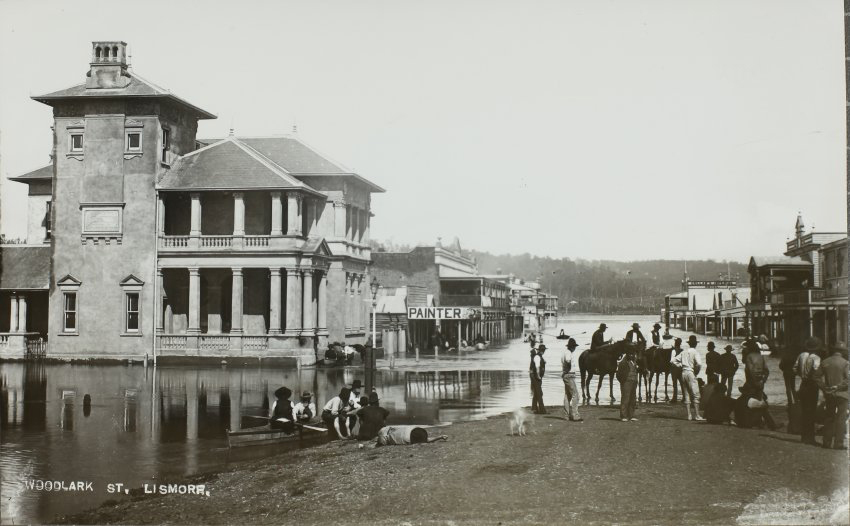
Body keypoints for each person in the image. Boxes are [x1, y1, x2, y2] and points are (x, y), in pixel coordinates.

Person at [813, 347, 848, 450]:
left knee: (829, 417)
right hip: (843, 394)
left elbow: (816, 377)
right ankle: (838, 444)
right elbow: (848, 379)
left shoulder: (825, 362)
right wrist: (838, 386)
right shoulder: (845, 363)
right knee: (841, 419)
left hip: (829, 394)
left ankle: (826, 443)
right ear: (842, 352)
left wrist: (824, 388)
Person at [794, 337, 823, 446]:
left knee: (804, 410)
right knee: (811, 411)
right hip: (812, 385)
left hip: (803, 384)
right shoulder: (816, 358)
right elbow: (816, 372)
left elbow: (794, 369)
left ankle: (804, 436)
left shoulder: (801, 355)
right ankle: (810, 437)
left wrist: (802, 375)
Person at [673, 335, 704, 421]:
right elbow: (699, 364)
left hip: (683, 372)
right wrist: (696, 371)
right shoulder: (695, 352)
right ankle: (697, 415)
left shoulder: (684, 352)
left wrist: (680, 365)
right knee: (696, 394)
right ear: (696, 344)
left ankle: (689, 415)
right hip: (690, 372)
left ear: (689, 344)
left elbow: (673, 361)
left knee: (686, 394)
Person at [561, 338, 582, 421]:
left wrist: (565, 371)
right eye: (574, 346)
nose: (575, 348)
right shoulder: (568, 353)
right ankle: (575, 415)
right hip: (570, 375)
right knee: (575, 395)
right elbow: (568, 360)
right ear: (572, 347)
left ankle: (566, 415)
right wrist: (568, 369)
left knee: (567, 395)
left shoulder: (565, 353)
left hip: (566, 375)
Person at [616, 347, 639, 421]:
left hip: (634, 382)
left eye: (633, 354)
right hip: (626, 382)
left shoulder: (634, 362)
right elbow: (618, 375)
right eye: (630, 354)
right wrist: (623, 381)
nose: (632, 356)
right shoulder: (623, 363)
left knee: (633, 399)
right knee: (625, 399)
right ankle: (623, 416)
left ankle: (631, 416)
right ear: (627, 354)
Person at [375, 425, 448, 447]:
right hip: (415, 430)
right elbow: (427, 440)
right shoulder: (389, 430)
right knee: (425, 440)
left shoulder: (384, 432)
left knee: (385, 439)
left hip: (409, 433)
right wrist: (440, 437)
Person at [530, 344, 547, 414]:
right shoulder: (537, 357)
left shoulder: (538, 357)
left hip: (534, 376)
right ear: (539, 350)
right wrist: (538, 376)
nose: (544, 351)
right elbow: (537, 368)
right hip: (536, 376)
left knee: (537, 392)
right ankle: (542, 410)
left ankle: (534, 408)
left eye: (544, 350)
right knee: (539, 393)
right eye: (543, 350)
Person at [669, 337, 684, 403]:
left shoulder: (673, 351)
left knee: (675, 384)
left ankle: (674, 398)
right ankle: (684, 397)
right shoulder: (682, 350)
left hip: (674, 368)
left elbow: (672, 360)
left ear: (675, 343)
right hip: (681, 368)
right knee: (682, 383)